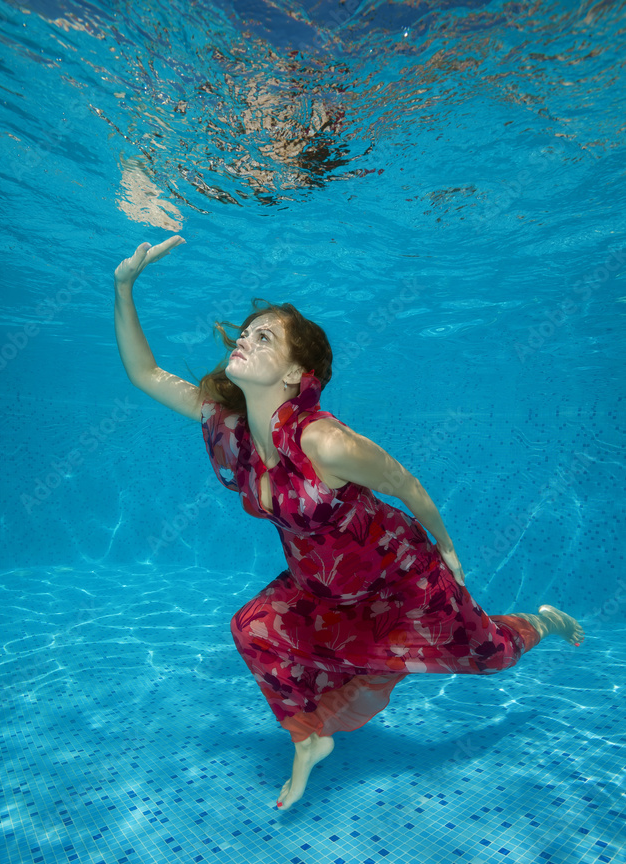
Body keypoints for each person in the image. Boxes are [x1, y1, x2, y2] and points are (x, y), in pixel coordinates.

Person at [114, 236, 585, 811]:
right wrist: (124, 286)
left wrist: (449, 550)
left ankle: (545, 622)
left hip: (400, 580)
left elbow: (406, 484)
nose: (244, 338)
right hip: (322, 587)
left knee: (490, 655)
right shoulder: (234, 428)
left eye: (265, 337)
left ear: (295, 375)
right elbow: (144, 373)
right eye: (247, 331)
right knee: (252, 630)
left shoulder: (325, 442)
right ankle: (308, 740)